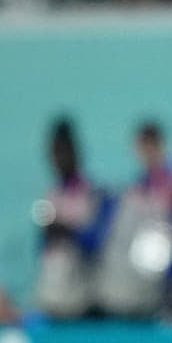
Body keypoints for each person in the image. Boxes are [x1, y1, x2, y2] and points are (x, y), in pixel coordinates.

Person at [94, 121, 172, 319]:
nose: (149, 152)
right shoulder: (133, 192)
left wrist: (171, 279)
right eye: (144, 146)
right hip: (128, 289)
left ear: (163, 147)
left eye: (153, 146)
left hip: (161, 291)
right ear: (137, 149)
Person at [34, 117, 110, 320]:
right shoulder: (50, 196)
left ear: (75, 153)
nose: (59, 159)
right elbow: (41, 248)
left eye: (64, 152)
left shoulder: (92, 195)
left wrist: (67, 231)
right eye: (55, 153)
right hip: (52, 298)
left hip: (82, 300)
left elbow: (98, 243)